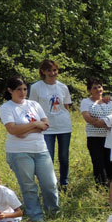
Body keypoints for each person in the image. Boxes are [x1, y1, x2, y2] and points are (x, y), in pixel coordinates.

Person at [0, 76, 59, 222]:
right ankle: (36, 216)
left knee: (50, 183)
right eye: (19, 89)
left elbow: (45, 124)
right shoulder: (6, 107)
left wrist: (26, 130)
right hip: (19, 152)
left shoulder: (34, 104)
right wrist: (35, 125)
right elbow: (13, 130)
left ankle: (53, 212)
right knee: (28, 186)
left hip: (41, 150)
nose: (22, 92)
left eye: (25, 89)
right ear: (10, 90)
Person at [29, 60, 72, 191]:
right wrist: (37, 125)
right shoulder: (36, 87)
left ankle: (64, 184)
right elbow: (32, 108)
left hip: (64, 126)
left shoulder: (63, 87)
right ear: (43, 71)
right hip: (46, 128)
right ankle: (50, 184)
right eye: (49, 70)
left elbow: (66, 106)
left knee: (64, 157)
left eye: (54, 70)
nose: (52, 73)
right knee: (48, 158)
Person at [79, 78, 112, 186]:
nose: (98, 89)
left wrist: (104, 122)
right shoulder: (86, 102)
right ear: (89, 90)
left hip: (109, 136)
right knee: (98, 161)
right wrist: (100, 123)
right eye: (94, 88)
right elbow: (87, 117)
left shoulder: (108, 102)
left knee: (109, 161)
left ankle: (111, 185)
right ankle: (100, 186)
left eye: (99, 87)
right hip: (94, 136)